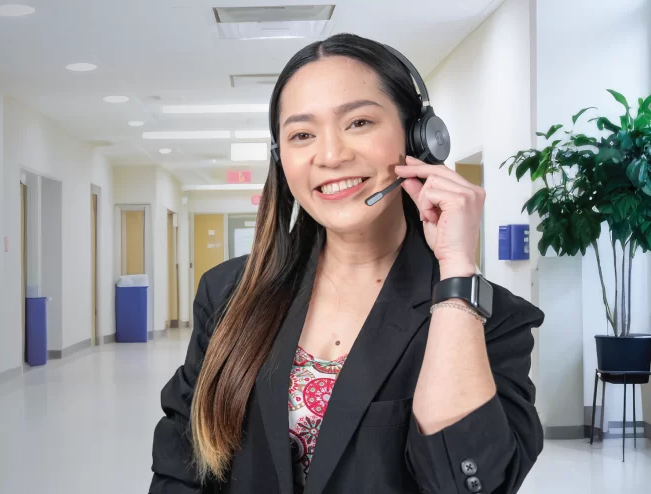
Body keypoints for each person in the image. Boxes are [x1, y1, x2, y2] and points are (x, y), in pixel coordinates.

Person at [150, 33, 544, 494]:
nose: (331, 155)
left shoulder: (490, 317)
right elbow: (184, 464)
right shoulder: (228, 293)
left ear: (420, 137)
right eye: (301, 134)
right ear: (282, 158)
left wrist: (457, 271)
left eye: (358, 122)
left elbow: (470, 483)